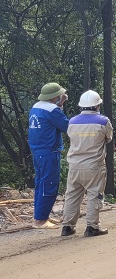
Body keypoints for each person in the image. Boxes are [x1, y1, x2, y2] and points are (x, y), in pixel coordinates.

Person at [61, 90, 113, 237]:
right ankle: (92, 227)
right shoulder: (103, 121)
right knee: (94, 195)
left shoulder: (72, 122)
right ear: (97, 105)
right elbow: (108, 138)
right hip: (94, 166)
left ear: (81, 106)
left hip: (74, 165)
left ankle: (67, 227)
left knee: (72, 195)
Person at [27, 82, 70, 229]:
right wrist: (60, 106)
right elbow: (65, 126)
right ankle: (40, 221)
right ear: (55, 97)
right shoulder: (52, 110)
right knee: (49, 184)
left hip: (37, 150)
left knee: (40, 183)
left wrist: (60, 103)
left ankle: (41, 216)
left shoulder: (36, 107)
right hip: (49, 151)